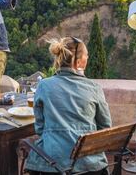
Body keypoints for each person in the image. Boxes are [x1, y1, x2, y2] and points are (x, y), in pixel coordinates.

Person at [25, 37, 112, 175]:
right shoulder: (94, 88)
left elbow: (40, 128)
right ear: (79, 62)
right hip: (90, 166)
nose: (88, 58)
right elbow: (105, 128)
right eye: (86, 55)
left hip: (52, 164)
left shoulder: (44, 86)